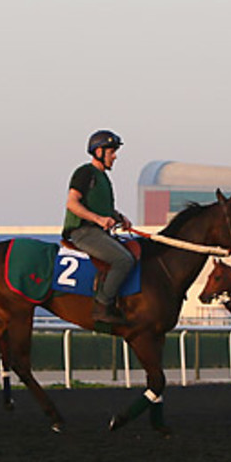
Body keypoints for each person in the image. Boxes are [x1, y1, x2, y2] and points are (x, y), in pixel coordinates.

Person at [63, 130, 135, 325]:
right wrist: (99, 219)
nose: (115, 156)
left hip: (98, 232)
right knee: (123, 260)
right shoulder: (85, 172)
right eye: (111, 152)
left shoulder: (103, 178)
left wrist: (119, 217)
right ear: (99, 152)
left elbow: (102, 208)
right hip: (83, 232)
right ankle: (103, 305)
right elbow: (72, 203)